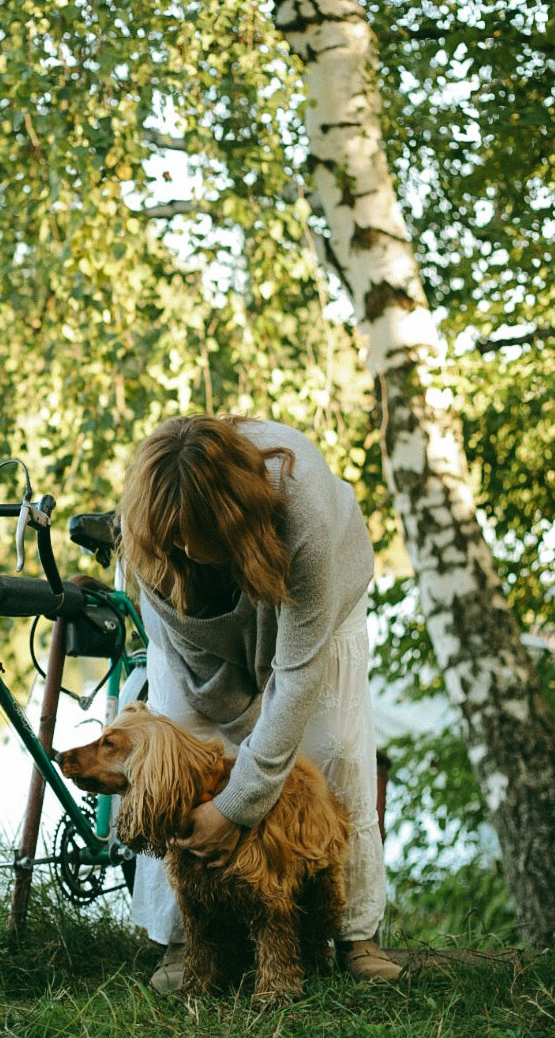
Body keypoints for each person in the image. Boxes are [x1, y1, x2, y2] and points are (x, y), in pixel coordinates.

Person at [117, 414, 400, 988]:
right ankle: (185, 939)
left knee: (335, 750)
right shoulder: (153, 530)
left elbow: (294, 675)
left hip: (321, 613)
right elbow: (193, 672)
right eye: (177, 539)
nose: (189, 550)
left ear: (233, 513)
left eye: (200, 534)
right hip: (200, 644)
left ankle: (353, 933)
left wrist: (237, 805)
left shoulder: (303, 510)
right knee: (180, 742)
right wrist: (230, 756)